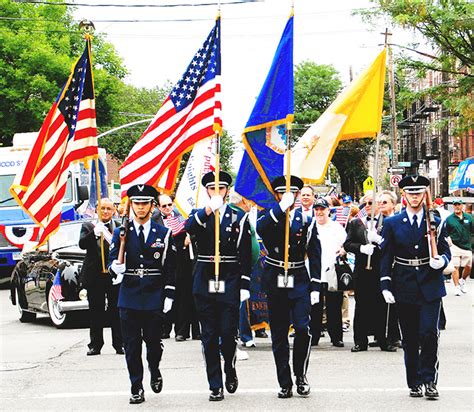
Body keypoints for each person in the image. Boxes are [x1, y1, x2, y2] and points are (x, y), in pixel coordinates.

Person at [380, 175, 451, 399]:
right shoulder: (392, 223)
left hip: (430, 283)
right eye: (410, 193)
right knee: (410, 337)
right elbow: (386, 256)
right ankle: (414, 381)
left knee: (429, 333)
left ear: (424, 194)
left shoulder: (435, 221)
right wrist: (385, 285)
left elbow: (445, 250)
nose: (414, 197)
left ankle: (430, 380)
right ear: (404, 195)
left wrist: (443, 261)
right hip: (404, 283)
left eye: (418, 193)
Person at [185, 171, 252, 402]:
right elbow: (189, 227)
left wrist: (244, 282)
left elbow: (245, 252)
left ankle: (230, 367)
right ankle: (215, 384)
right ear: (207, 191)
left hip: (229, 279)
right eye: (212, 189)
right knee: (209, 335)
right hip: (204, 280)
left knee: (227, 332)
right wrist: (208, 209)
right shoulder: (199, 215)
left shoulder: (237, 217)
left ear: (227, 191)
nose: (217, 192)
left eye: (221, 189)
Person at [109, 185, 176, 405]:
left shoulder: (163, 233)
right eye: (136, 203)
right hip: (128, 294)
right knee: (131, 345)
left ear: (151, 206)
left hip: (153, 294)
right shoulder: (122, 232)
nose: (140, 207)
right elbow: (112, 260)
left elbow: (170, 267)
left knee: (153, 344)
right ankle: (136, 386)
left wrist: (169, 293)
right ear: (132, 205)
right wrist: (114, 268)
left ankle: (154, 369)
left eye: (144, 203)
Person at [257, 175, 321, 399]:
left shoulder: (306, 220)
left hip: (299, 277)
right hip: (276, 277)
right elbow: (261, 229)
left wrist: (315, 286)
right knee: (279, 334)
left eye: (293, 193)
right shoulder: (270, 215)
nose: (290, 197)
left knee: (303, 328)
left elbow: (314, 254)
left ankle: (300, 375)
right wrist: (280, 209)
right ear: (277, 195)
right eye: (285, 193)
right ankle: (284, 382)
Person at [152, 194, 200, 341]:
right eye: (164, 206)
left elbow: (193, 231)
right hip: (167, 260)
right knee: (175, 295)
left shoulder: (181, 215)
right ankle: (175, 329)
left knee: (188, 294)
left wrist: (189, 237)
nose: (167, 208)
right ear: (159, 207)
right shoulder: (155, 220)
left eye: (169, 205)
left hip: (185, 259)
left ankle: (193, 330)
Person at [79, 198, 123, 356]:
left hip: (112, 274)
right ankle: (95, 344)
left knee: (116, 310)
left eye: (108, 209)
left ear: (113, 211)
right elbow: (82, 244)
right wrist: (93, 234)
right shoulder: (89, 226)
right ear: (97, 209)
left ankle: (119, 343)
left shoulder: (118, 227)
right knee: (96, 312)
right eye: (102, 208)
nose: (105, 211)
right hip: (94, 276)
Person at [310, 197, 346, 347]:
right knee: (314, 307)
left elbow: (345, 243)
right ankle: (314, 336)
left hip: (331, 270)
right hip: (314, 272)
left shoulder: (336, 227)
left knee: (334, 307)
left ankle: (336, 337)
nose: (319, 212)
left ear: (328, 211)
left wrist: (343, 250)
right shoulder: (310, 226)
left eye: (322, 209)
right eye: (316, 209)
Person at [445, 199, 473, 295]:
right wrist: (448, 239)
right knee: (455, 266)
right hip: (454, 245)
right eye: (455, 205)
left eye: (459, 205)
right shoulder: (449, 219)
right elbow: (445, 231)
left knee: (468, 266)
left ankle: (463, 281)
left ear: (462, 206)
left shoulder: (469, 217)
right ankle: (456, 286)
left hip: (467, 245)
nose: (457, 207)